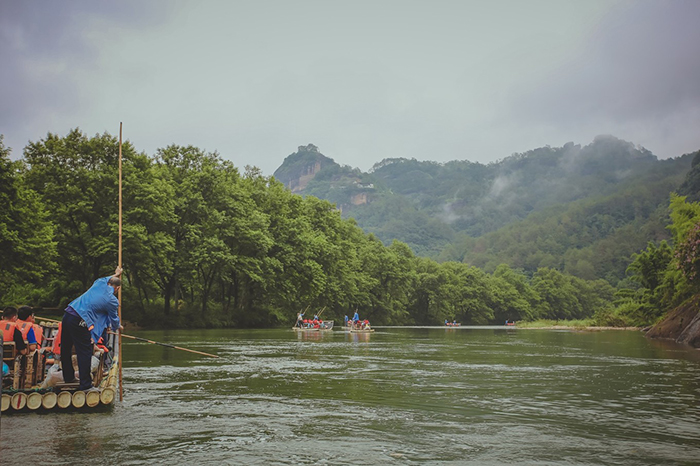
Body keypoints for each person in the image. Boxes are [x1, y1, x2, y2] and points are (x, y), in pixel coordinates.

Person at [61, 266, 123, 392]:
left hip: (68, 313)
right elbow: (114, 319)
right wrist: (119, 327)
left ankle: (68, 377)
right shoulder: (112, 300)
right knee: (85, 351)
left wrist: (116, 273)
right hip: (80, 319)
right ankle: (86, 385)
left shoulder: (99, 283)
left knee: (65, 348)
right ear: (117, 288)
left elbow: (108, 279)